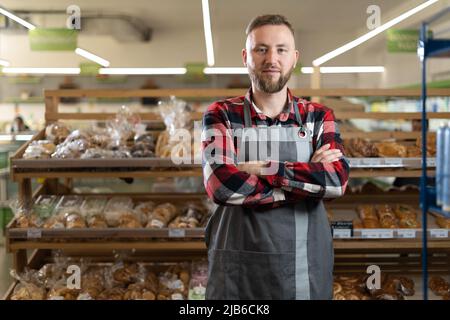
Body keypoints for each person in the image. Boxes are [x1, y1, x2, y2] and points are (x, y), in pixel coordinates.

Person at [201, 14, 349, 300]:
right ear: (246, 56)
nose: (272, 58)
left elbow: (336, 181)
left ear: (294, 58)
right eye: (261, 49)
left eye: (281, 49)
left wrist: (262, 168)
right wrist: (305, 182)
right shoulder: (220, 114)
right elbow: (220, 186)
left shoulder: (318, 116)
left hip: (304, 266)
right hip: (237, 271)